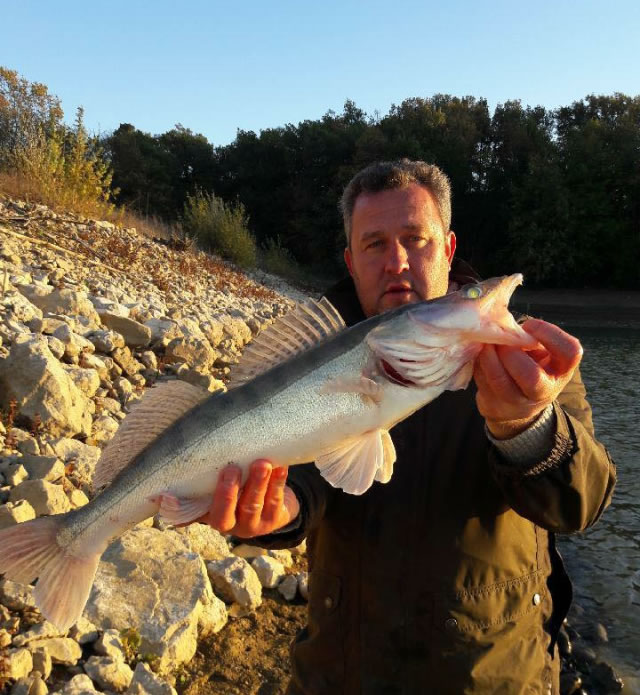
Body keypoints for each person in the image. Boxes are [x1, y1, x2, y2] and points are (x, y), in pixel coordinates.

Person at [198, 160, 616, 694]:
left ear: (447, 247)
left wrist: (526, 425)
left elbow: (581, 504)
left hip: (494, 675)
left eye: (416, 239)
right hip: (343, 675)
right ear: (351, 261)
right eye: (374, 244)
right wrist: (277, 512)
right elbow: (307, 479)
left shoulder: (526, 365)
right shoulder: (317, 361)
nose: (396, 261)